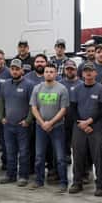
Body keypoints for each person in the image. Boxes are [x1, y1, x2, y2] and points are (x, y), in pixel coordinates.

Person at [69, 63, 102, 195]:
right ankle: (77, 183)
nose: (88, 73)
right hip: (79, 128)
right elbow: (73, 108)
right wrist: (81, 123)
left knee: (98, 157)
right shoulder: (77, 89)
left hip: (95, 128)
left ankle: (100, 186)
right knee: (78, 157)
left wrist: (89, 122)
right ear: (82, 74)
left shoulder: (101, 89)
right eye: (86, 71)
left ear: (95, 73)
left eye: (91, 71)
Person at [30, 64, 69, 192]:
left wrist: (51, 123)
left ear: (56, 73)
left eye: (51, 71)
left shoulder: (62, 89)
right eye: (46, 71)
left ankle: (63, 182)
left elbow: (63, 110)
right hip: (40, 127)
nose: (48, 74)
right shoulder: (37, 88)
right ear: (44, 73)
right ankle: (39, 181)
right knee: (39, 156)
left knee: (60, 157)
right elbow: (34, 108)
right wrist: (42, 123)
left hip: (57, 127)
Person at [0, 58, 34, 186]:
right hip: (8, 125)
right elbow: (1, 101)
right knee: (9, 151)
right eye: (12, 69)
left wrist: (28, 120)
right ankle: (10, 175)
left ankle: (23, 176)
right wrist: (1, 117)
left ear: (22, 70)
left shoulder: (29, 85)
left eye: (17, 69)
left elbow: (33, 105)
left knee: (24, 152)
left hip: (22, 126)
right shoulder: (5, 84)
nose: (14, 71)